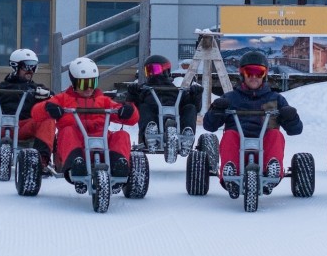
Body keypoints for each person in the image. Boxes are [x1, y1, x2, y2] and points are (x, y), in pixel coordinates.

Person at [202, 52, 302, 197]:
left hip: (265, 148)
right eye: (249, 72)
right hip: (237, 147)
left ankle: (272, 170)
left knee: (275, 134)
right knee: (230, 135)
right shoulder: (230, 98)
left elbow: (296, 130)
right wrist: (216, 110)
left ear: (265, 75)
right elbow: (209, 126)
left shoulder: (275, 99)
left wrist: (291, 117)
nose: (254, 77)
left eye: (258, 73)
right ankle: (230, 171)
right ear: (242, 74)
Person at [32, 57, 138, 191]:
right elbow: (36, 113)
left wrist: (128, 110)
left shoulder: (103, 101)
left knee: (122, 135)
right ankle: (75, 166)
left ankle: (119, 165)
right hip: (76, 144)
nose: (88, 88)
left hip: (102, 142)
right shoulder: (63, 99)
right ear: (74, 83)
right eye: (83, 84)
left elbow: (132, 118)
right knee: (67, 131)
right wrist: (48, 108)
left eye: (92, 83)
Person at [0, 49, 56, 176]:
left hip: (24, 126)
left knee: (48, 119)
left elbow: (52, 98)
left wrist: (47, 94)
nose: (30, 71)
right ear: (15, 67)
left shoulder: (35, 89)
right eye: (26, 67)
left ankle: (40, 162)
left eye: (33, 67)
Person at [125, 55, 203, 151]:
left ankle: (186, 136)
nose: (151, 73)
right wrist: (132, 93)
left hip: (176, 118)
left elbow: (194, 107)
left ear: (166, 70)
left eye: (155, 69)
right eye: (148, 71)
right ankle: (150, 135)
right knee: (143, 107)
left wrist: (196, 95)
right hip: (153, 118)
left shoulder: (177, 91)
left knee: (190, 107)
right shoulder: (144, 90)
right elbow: (132, 109)